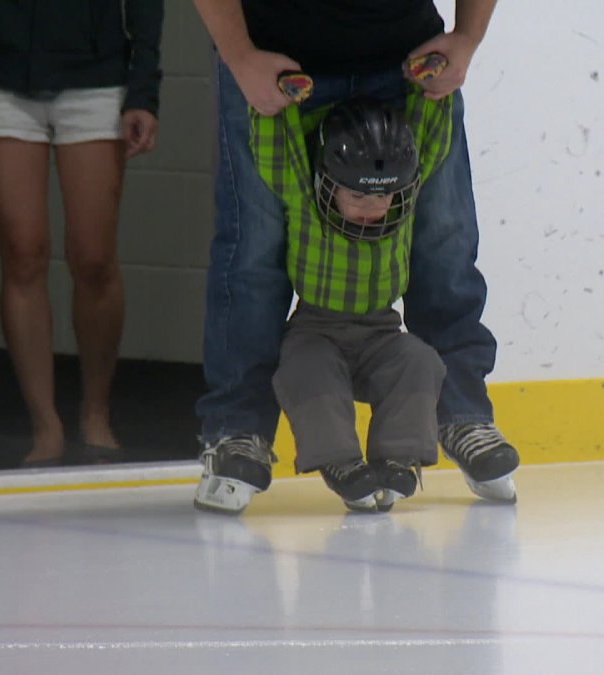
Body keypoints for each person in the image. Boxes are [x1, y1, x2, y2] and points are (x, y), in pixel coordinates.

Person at [192, 0, 519, 512]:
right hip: (272, 64)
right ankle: (237, 432)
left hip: (409, 64)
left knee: (444, 241)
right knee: (252, 253)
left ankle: (463, 415)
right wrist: (239, 54)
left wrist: (468, 37)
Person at [0, 0, 164, 466]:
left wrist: (143, 89)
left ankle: (96, 412)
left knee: (93, 259)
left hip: (98, 75)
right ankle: (44, 425)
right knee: (23, 252)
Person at [204, 98, 448, 514]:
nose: (371, 209)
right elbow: (276, 152)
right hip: (316, 331)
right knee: (304, 368)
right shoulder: (304, 200)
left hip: (383, 333)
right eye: (356, 195)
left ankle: (397, 456)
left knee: (421, 361)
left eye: (385, 195)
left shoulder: (404, 207)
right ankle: (340, 460)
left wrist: (432, 93)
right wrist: (276, 104)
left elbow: (431, 138)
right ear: (327, 181)